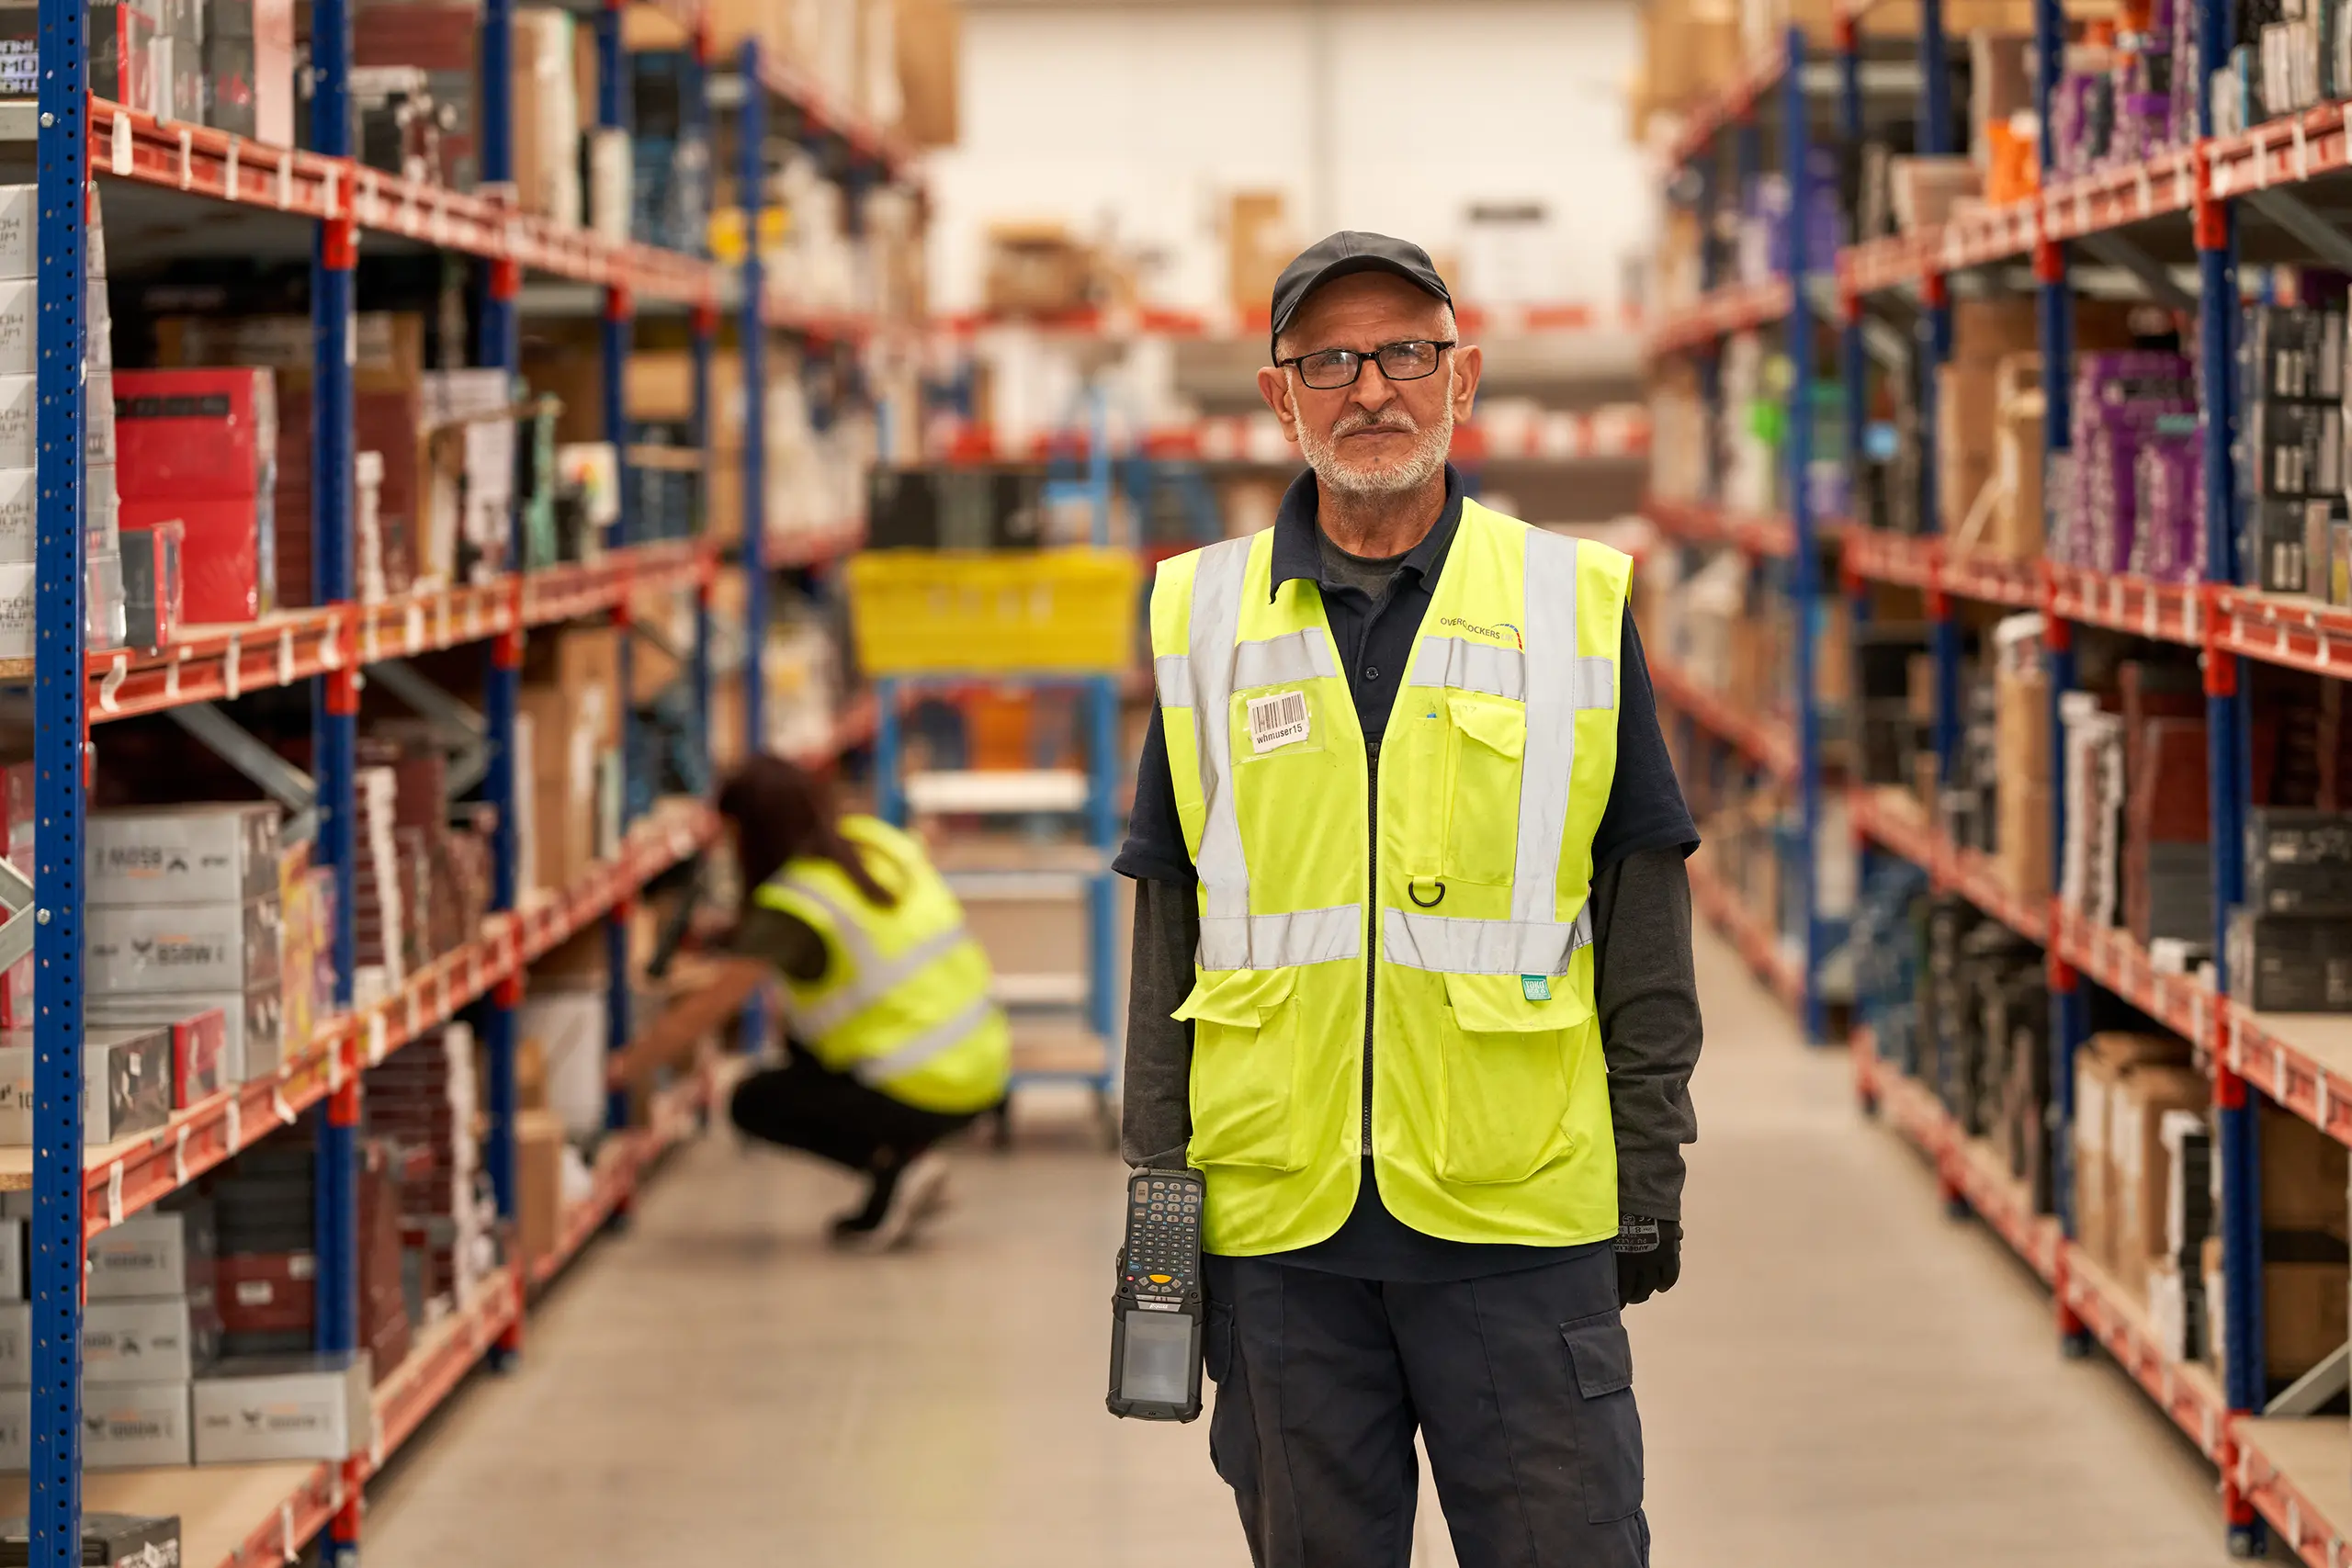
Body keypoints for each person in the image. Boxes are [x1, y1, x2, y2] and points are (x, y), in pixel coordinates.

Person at [1115, 231, 1705, 1565]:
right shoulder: (1202, 616)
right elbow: (1168, 922)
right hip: (1282, 1230)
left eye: (1404, 352)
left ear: (1464, 377)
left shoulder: (1570, 600)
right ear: (1279, 396)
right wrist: (1165, 1186)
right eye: (1328, 358)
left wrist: (1648, 1162)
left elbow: (1642, 913)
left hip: (1517, 1222)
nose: (1369, 386)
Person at [614, 755, 1012, 1251]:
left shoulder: (794, 906)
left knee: (752, 1101)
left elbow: (708, 1009)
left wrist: (625, 1068)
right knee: (802, 1039)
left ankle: (900, 1166)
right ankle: (901, 1164)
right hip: (983, 1064)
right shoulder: (871, 841)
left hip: (927, 1082)